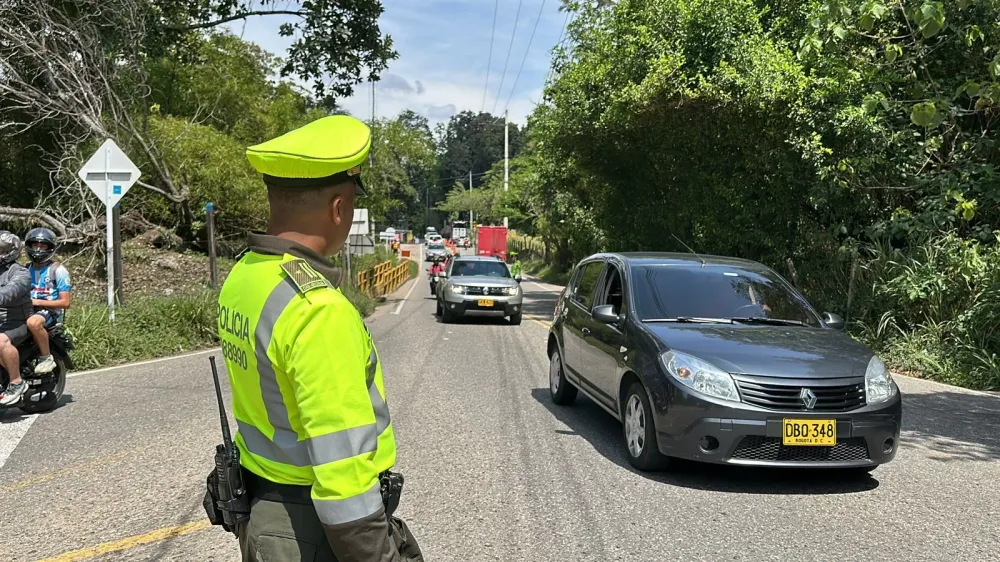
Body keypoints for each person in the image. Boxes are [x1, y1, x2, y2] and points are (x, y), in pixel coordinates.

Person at [215, 114, 423, 561]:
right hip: (313, 532)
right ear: (338, 209)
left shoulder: (246, 275)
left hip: (263, 515)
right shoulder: (319, 311)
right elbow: (342, 473)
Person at [24, 228, 72, 374]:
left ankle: (46, 357)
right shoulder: (25, 269)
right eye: (35, 245)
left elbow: (65, 303)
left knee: (33, 323)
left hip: (50, 313)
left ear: (50, 248)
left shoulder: (58, 270)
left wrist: (37, 302)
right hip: (28, 309)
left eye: (43, 246)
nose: (38, 249)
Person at [0, 231, 32, 405]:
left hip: (18, 320)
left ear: (10, 251)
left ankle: (16, 382)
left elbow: (9, 293)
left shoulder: (20, 273)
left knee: (0, 341)